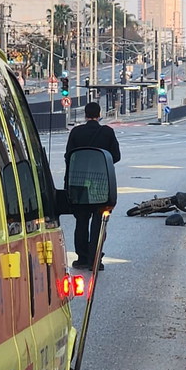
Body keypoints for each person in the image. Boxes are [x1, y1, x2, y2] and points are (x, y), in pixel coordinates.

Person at [65, 101, 121, 270]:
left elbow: (69, 157)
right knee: (99, 221)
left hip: (79, 183)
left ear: (85, 115)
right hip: (100, 184)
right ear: (99, 114)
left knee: (81, 222)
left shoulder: (76, 132)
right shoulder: (107, 132)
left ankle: (82, 258)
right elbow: (116, 156)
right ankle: (95, 259)